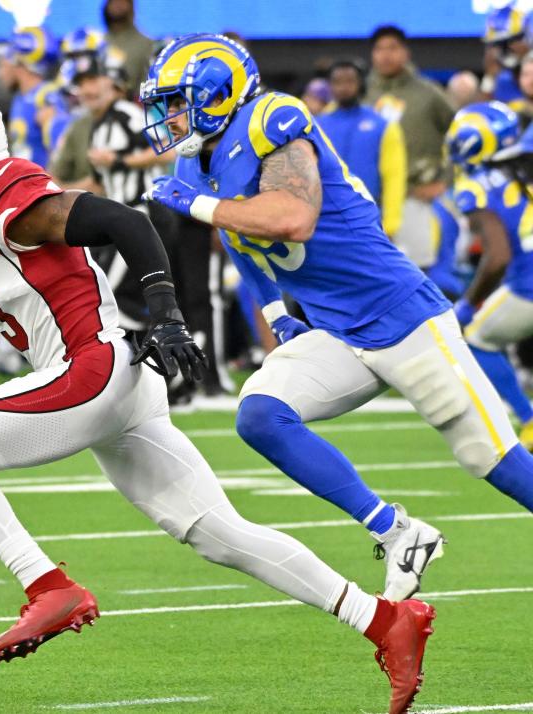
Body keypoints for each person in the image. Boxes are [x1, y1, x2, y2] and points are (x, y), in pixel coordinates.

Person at [0, 87, 435, 714]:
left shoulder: (2, 193)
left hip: (91, 365)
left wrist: (168, 316)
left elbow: (125, 221)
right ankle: (384, 619)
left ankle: (48, 587)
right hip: (102, 384)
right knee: (220, 533)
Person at [140, 34, 533, 604]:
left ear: (217, 94)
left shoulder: (272, 118)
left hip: (402, 317)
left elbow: (293, 218)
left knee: (493, 459)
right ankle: (398, 531)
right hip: (336, 330)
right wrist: (277, 316)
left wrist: (195, 204)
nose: (168, 117)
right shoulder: (195, 163)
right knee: (260, 416)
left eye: (177, 101)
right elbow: (241, 236)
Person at [445, 102, 533, 449]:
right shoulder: (522, 166)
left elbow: (497, 257)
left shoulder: (475, 186)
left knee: (476, 338)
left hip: (527, 285)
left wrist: (467, 303)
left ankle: (528, 419)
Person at [365, 25, 455, 271]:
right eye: (379, 49)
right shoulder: (362, 95)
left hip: (415, 198)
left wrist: (445, 180)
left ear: (406, 52)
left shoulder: (429, 93)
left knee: (416, 272)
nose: (386, 55)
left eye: (393, 48)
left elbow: (462, 135)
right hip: (368, 201)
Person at [317, 58, 406, 238]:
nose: (344, 87)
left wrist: (391, 224)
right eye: (337, 82)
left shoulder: (382, 125)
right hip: (325, 220)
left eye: (350, 81)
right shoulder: (316, 126)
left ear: (361, 84)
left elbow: (394, 176)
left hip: (369, 219)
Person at [0, 27, 60, 169]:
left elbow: (61, 154)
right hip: (27, 186)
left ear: (16, 61)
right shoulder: (21, 97)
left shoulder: (46, 97)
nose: (0, 73)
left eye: (2, 65)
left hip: (45, 186)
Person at [480, 0, 530, 112]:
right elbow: (485, 110)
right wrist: (489, 77)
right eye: (498, 44)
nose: (507, 49)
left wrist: (524, 61)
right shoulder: (498, 74)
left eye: (511, 42)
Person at [102, 0, 154, 98]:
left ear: (131, 6)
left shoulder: (146, 45)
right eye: (113, 1)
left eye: (122, 1)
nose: (117, 5)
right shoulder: (99, 42)